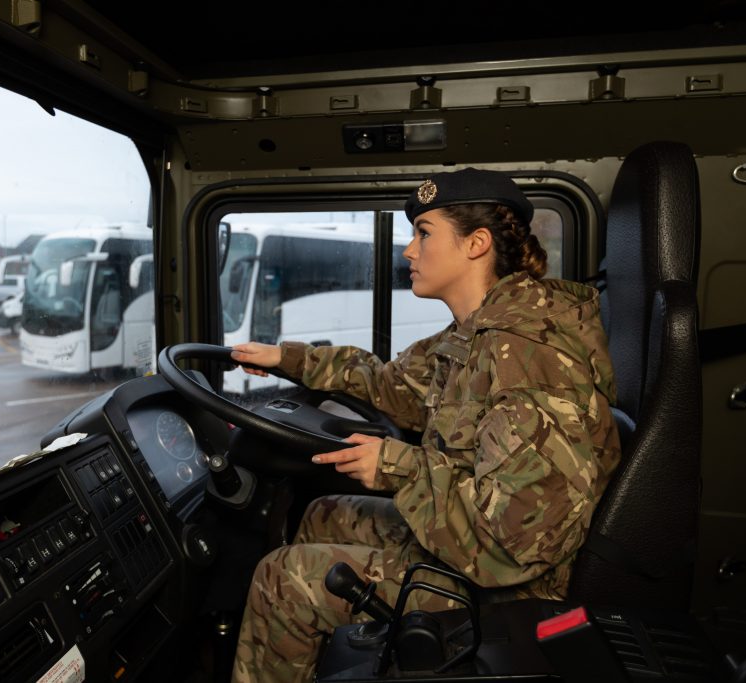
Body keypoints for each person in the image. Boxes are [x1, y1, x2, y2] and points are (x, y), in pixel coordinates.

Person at [227, 168, 622, 683]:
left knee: (281, 579)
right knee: (323, 512)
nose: (409, 251)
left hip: (510, 589)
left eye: (424, 233)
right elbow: (392, 385)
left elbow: (515, 543)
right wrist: (288, 359)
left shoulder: (526, 352)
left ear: (476, 244)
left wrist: (395, 465)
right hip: (471, 541)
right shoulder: (475, 335)